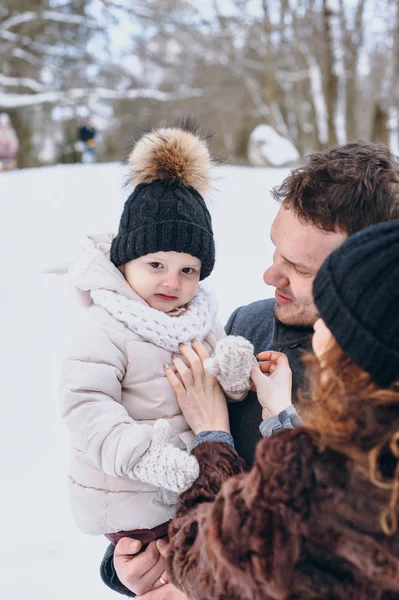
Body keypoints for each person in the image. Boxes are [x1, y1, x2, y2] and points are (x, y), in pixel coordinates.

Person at [100, 141, 399, 598]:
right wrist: (137, 557)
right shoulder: (249, 325)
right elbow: (160, 457)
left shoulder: (379, 402)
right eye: (276, 251)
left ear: (366, 272)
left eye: (297, 268)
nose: (269, 275)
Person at [165, 219, 399, 599]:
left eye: (334, 319)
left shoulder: (311, 475)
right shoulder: (251, 323)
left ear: (359, 358)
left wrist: (212, 439)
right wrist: (284, 419)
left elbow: (202, 558)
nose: (320, 330)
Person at [60, 126, 254, 558]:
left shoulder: (199, 318)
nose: (172, 281)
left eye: (188, 270)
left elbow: (219, 392)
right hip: (129, 500)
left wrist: (235, 374)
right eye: (157, 264)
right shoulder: (104, 327)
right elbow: (85, 405)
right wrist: (144, 456)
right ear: (126, 261)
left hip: (188, 489)